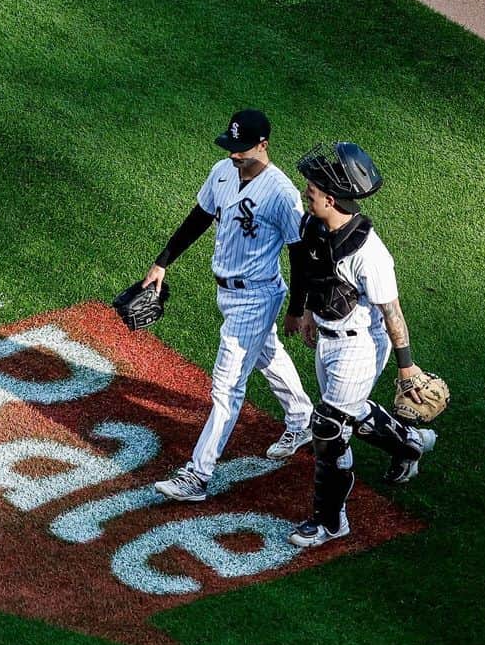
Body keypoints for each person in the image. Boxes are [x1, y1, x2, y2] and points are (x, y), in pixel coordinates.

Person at [143, 109, 315, 502]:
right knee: (266, 355)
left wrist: (298, 308)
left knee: (226, 387)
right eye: (232, 147)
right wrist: (162, 262)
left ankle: (198, 475)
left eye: (242, 149)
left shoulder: (282, 194)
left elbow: (300, 254)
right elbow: (199, 218)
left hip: (257, 295)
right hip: (228, 291)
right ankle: (302, 418)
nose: (235, 155)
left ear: (263, 145)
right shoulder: (222, 171)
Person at [281, 141, 436, 547]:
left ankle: (330, 522)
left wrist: (407, 369)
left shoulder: (370, 253)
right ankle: (410, 444)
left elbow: (393, 314)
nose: (306, 188)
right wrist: (302, 310)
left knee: (329, 427)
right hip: (327, 340)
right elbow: (306, 269)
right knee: (350, 412)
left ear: (332, 198)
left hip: (361, 345)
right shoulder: (311, 225)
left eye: (312, 186)